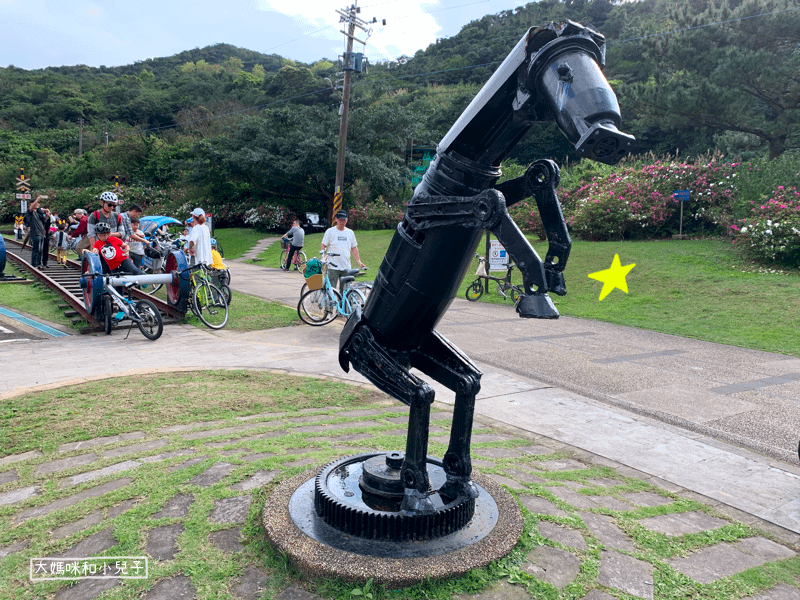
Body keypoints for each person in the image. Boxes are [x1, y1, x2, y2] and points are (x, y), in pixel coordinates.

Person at [320, 210, 366, 290]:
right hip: (333, 266)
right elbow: (323, 245)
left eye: (344, 220)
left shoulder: (350, 232)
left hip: (346, 266)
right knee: (332, 290)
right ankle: (332, 302)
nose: (342, 222)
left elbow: (354, 247)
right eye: (340, 220)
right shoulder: (330, 232)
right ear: (336, 219)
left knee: (345, 290)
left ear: (347, 220)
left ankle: (343, 303)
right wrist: (324, 257)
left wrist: (358, 261)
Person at [79, 191, 124, 257]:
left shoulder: (117, 216)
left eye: (114, 205)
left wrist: (108, 234)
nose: (112, 207)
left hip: (113, 248)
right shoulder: (94, 215)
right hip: (99, 247)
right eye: (109, 205)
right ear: (102, 203)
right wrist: (94, 249)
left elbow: (122, 233)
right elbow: (91, 234)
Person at [24, 195, 50, 269]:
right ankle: (34, 264)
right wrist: (38, 199)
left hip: (41, 233)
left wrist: (47, 217)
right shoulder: (30, 212)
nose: (38, 205)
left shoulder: (38, 213)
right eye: (36, 203)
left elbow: (42, 222)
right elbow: (31, 208)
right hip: (35, 233)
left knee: (40, 250)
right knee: (36, 249)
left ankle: (38, 264)